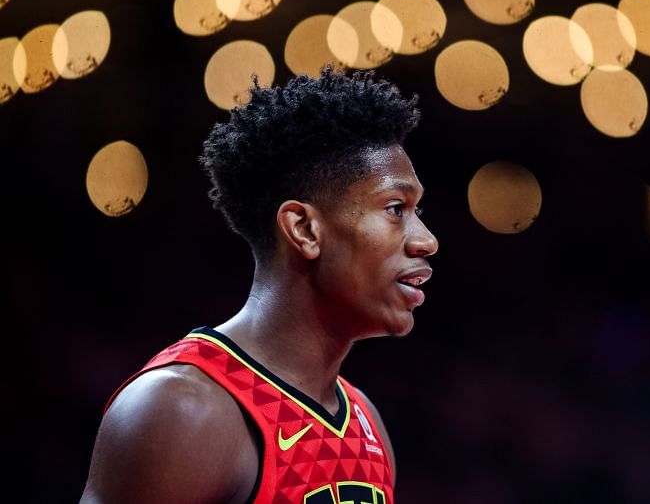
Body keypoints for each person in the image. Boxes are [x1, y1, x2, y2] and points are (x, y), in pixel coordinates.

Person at [80, 66, 438, 504]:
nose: (426, 240)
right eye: (397, 208)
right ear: (304, 229)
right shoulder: (181, 409)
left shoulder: (366, 421)